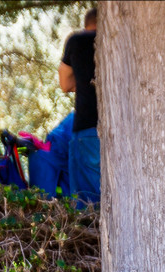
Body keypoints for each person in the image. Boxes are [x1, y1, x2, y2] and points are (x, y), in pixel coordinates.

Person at [59, 8, 100, 204]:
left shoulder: (76, 41)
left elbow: (65, 84)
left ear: (87, 23)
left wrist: (83, 81)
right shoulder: (123, 41)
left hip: (86, 128)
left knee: (86, 201)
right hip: (122, 131)